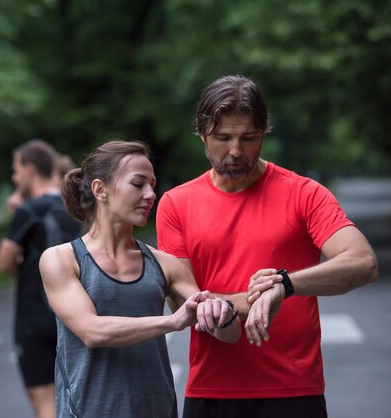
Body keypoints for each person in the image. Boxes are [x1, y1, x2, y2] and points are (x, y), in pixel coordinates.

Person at [156, 74, 379, 418]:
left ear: (264, 132)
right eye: (222, 138)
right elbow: (183, 300)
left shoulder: (304, 193)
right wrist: (256, 298)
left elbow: (363, 262)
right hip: (212, 388)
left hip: (294, 388)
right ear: (202, 133)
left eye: (248, 137)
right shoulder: (176, 203)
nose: (235, 151)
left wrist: (285, 284)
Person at [39, 140, 241, 418]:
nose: (151, 194)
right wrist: (172, 321)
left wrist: (223, 313)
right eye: (138, 184)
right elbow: (91, 331)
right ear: (100, 190)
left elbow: (227, 335)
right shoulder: (61, 259)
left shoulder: (164, 263)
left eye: (152, 185)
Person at [0, 140, 82, 418]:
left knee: (44, 400)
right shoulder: (73, 206)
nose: (14, 177)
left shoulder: (28, 210)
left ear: (30, 169)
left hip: (34, 313)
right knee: (73, 395)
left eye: (16, 170)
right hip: (71, 309)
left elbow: (4, 262)